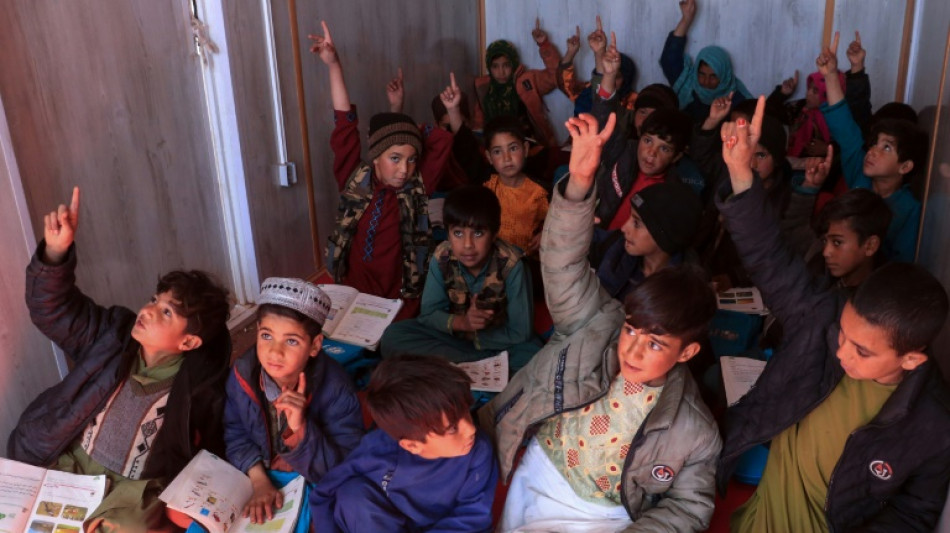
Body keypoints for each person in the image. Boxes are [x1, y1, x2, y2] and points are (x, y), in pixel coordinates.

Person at [715, 96, 950, 532]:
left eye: (862, 351)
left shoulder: (930, 425)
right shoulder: (822, 319)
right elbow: (769, 259)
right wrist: (741, 174)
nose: (841, 353)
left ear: (911, 358)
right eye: (843, 334)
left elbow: (914, 513)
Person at [481, 113, 721, 532]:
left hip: (602, 516)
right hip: (537, 471)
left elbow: (689, 508)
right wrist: (578, 183)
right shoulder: (596, 321)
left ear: (688, 352)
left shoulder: (694, 430)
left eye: (655, 343)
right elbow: (562, 264)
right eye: (632, 329)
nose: (632, 349)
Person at [8, 188, 232, 532]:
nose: (149, 311)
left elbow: (218, 443)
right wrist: (55, 253)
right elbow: (54, 311)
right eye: (154, 300)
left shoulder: (197, 385)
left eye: (166, 312)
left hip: (130, 492)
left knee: (134, 525)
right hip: (71, 463)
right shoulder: (111, 335)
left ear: (188, 341)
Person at [310, 21, 454, 320]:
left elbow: (439, 143)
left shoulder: (417, 187)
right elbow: (344, 123)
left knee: (398, 340)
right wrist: (334, 65)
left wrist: (404, 119)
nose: (404, 170)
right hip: (354, 289)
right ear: (374, 157)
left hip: (400, 296)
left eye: (412, 160)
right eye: (395, 159)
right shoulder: (355, 178)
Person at [223, 278, 363, 524]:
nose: (275, 352)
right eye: (267, 335)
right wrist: (260, 481)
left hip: (311, 475)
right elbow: (235, 433)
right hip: (257, 473)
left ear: (314, 346)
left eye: (291, 341)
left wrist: (300, 429)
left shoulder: (337, 388)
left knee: (344, 512)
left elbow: (343, 466)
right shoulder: (242, 375)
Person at [310, 355, 498, 532]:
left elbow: (473, 517)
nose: (471, 429)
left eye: (466, 411)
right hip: (383, 522)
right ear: (412, 446)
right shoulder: (378, 449)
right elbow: (326, 491)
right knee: (351, 495)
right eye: (452, 428)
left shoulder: (478, 451)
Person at [380, 185, 541, 371]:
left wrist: (478, 336)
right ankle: (485, 365)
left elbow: (521, 331)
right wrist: (464, 323)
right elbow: (429, 315)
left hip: (498, 342)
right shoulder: (442, 258)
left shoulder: (512, 265)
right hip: (454, 336)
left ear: (494, 234)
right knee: (393, 336)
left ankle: (460, 365)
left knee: (534, 354)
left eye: (478, 233)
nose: (467, 245)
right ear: (447, 233)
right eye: (458, 233)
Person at [818, 31, 927, 262]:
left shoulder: (910, 210)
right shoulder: (860, 173)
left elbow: (901, 264)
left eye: (886, 148)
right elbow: (844, 127)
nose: (873, 151)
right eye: (874, 143)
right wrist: (831, 75)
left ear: (905, 166)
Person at [595, 181, 703, 302]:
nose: (624, 228)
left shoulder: (681, 297)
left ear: (663, 238)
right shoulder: (614, 243)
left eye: (636, 223)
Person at [472, 18, 561, 148]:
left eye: (506, 65)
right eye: (495, 66)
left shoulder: (526, 81)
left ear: (513, 63)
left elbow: (556, 77)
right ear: (489, 67)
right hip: (497, 148)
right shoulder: (483, 88)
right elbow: (478, 128)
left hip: (529, 144)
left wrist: (544, 45)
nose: (501, 72)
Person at [659, 0, 752, 122]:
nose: (706, 82)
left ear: (724, 76)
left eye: (713, 76)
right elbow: (669, 58)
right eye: (702, 74)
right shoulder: (687, 85)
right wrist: (686, 19)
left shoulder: (735, 100)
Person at [556, 16, 637, 119]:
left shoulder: (632, 104)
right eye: (604, 74)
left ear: (626, 80)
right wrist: (570, 52)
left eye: (615, 76)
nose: (608, 79)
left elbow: (604, 108)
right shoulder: (588, 91)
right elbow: (566, 85)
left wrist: (599, 53)